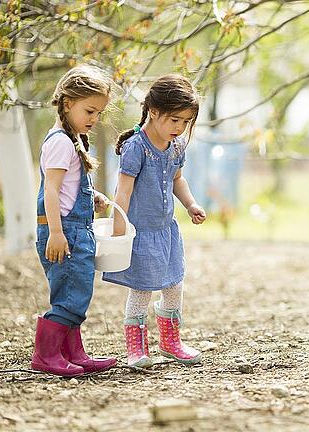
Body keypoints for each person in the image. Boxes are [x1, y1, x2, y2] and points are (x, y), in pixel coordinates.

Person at [104, 74, 206, 368]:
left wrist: (190, 204)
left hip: (166, 232)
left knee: (175, 284)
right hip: (141, 233)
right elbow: (122, 192)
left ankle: (171, 342)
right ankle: (136, 348)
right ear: (153, 111)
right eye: (175, 119)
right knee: (142, 288)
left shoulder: (176, 147)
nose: (180, 127)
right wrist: (119, 231)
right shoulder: (136, 147)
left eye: (186, 122)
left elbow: (178, 179)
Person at [33, 66, 117, 376]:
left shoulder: (74, 140)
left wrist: (91, 197)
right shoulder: (60, 142)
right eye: (90, 110)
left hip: (75, 230)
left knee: (77, 292)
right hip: (64, 231)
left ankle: (72, 352)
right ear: (67, 103)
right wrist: (56, 232)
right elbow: (50, 191)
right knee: (69, 295)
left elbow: (68, 189)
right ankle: (46, 355)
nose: (94, 119)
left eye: (98, 112)